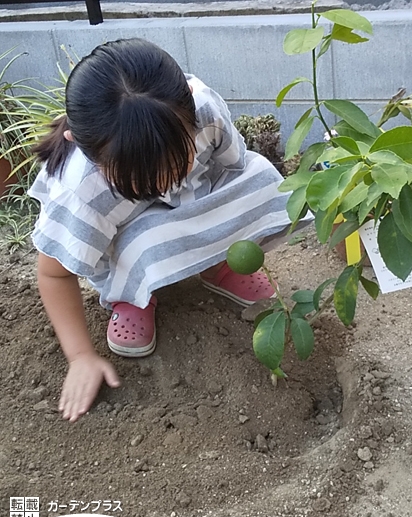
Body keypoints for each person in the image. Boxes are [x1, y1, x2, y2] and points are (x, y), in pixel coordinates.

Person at [29, 38, 298, 423]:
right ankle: (133, 296)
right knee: (142, 239)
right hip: (128, 236)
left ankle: (216, 266)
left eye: (176, 158)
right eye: (137, 177)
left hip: (191, 205)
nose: (163, 180)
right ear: (82, 147)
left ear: (190, 98)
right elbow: (53, 273)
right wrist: (81, 357)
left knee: (263, 179)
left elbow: (233, 170)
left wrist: (222, 235)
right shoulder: (80, 190)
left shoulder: (204, 107)